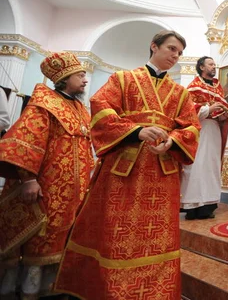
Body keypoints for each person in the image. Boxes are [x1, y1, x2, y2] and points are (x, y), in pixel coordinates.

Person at [55, 30, 200, 299]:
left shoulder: (180, 93)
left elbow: (192, 126)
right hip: (124, 172)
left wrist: (173, 140)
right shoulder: (122, 79)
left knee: (157, 239)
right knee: (114, 235)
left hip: (161, 173)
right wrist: (137, 131)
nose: (175, 56)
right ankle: (111, 291)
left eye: (179, 53)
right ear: (153, 46)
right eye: (171, 48)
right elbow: (101, 110)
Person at [0, 52, 94, 298]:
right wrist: (29, 179)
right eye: (80, 75)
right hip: (48, 186)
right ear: (64, 78)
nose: (85, 80)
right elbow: (26, 142)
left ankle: (52, 288)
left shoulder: (80, 109)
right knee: (39, 238)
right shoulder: (44, 104)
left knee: (63, 237)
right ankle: (27, 290)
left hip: (74, 190)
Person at [181, 56, 228, 220]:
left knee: (211, 166)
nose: (213, 66)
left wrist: (224, 115)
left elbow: (221, 112)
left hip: (214, 130)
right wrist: (208, 109)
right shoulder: (194, 86)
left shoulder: (218, 87)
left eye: (214, 64)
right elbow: (187, 111)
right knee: (197, 165)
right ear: (202, 67)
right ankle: (193, 206)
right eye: (210, 64)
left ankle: (208, 206)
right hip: (199, 131)